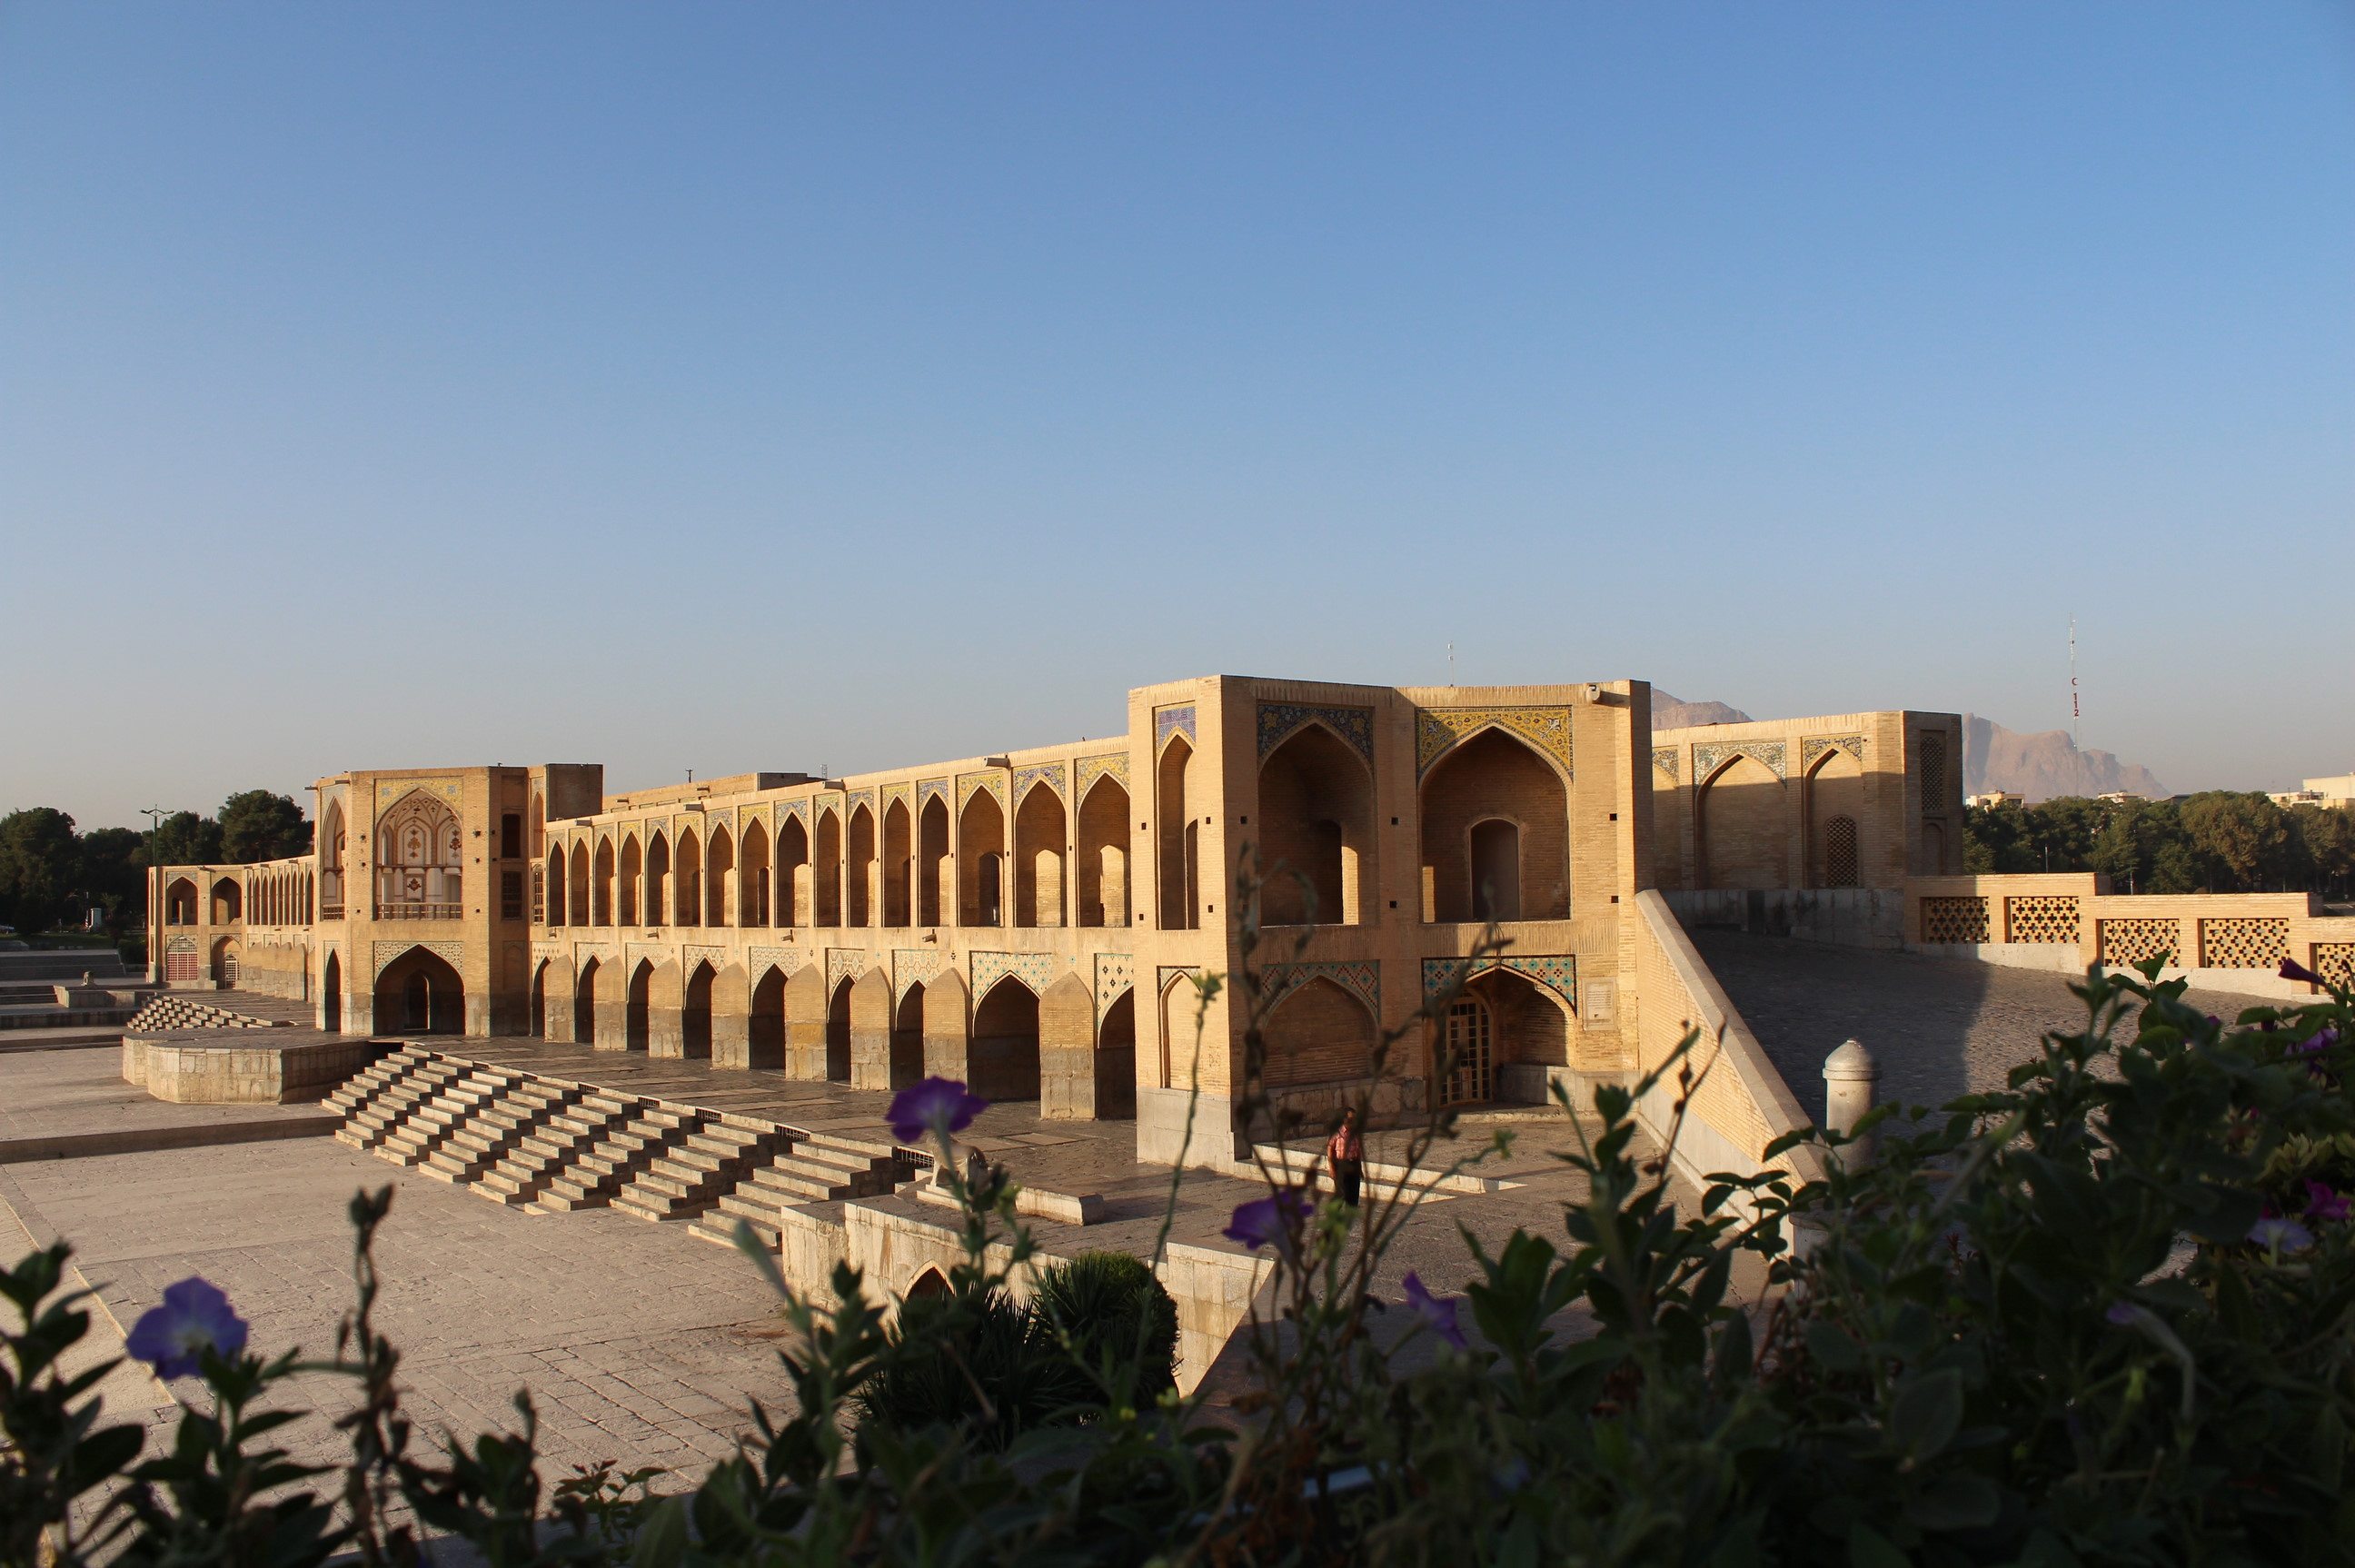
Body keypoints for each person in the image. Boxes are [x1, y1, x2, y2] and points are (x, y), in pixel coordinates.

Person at [1326, 1109, 1364, 1207]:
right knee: (1342, 1194)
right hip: (1341, 1165)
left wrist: (1359, 1168)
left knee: (1354, 1195)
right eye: (1351, 1119)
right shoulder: (1337, 1132)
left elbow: (1358, 1150)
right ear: (1344, 1119)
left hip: (1353, 1164)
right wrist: (1332, 1167)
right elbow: (1330, 1148)